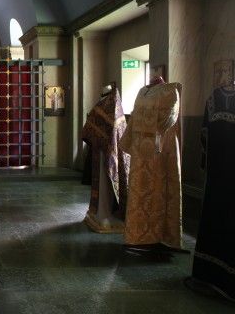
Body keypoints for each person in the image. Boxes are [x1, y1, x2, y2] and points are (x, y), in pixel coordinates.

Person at [119, 79, 182, 249]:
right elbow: (134, 116)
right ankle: (137, 234)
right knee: (138, 191)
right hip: (139, 150)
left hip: (159, 149)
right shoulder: (142, 91)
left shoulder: (170, 91)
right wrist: (129, 140)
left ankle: (157, 234)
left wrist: (145, 127)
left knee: (158, 189)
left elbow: (169, 117)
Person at [189, 86, 235, 300]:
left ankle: (208, 272)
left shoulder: (213, 98)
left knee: (214, 217)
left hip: (216, 176)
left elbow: (204, 137)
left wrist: (206, 164)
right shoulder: (213, 97)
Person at [81, 86, 129, 233]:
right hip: (107, 152)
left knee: (105, 183)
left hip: (105, 151)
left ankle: (104, 214)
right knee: (103, 183)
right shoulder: (117, 109)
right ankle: (102, 213)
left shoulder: (102, 107)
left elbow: (88, 128)